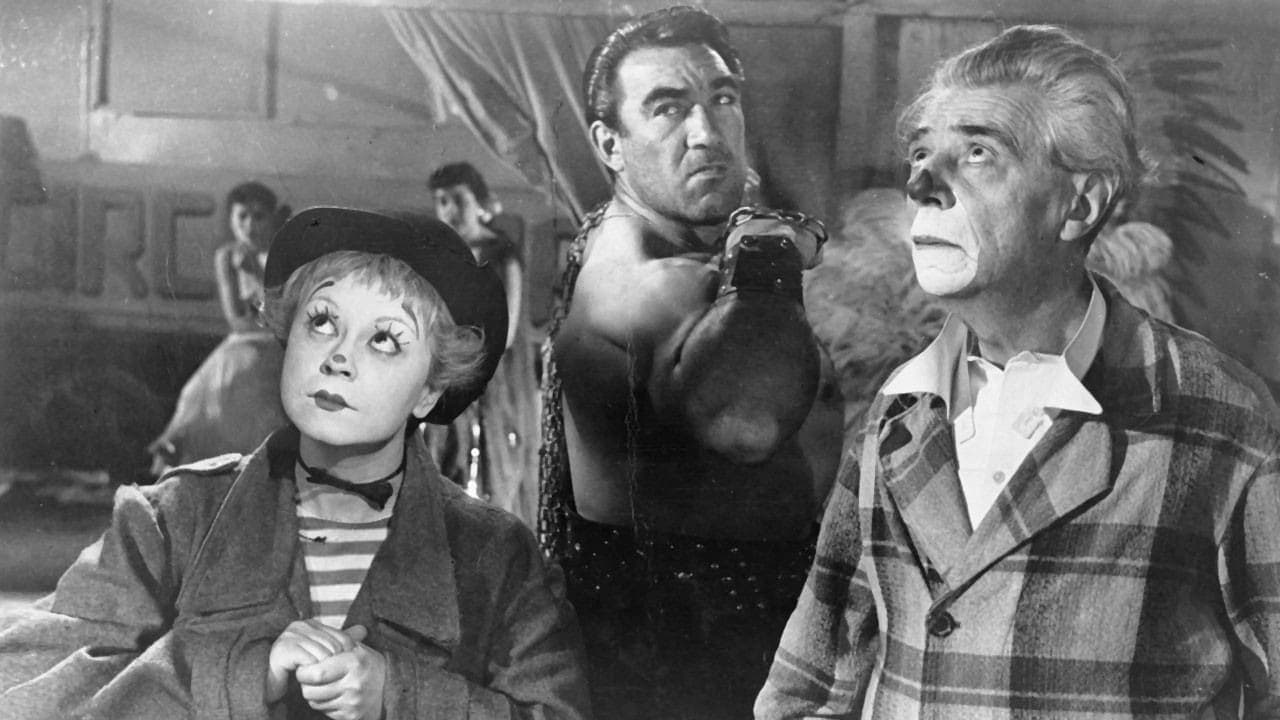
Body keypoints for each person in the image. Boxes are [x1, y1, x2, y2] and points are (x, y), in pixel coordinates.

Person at [757, 25, 1280, 718]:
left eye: (978, 152)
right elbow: (809, 686)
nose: (920, 185)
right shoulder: (899, 411)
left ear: (1080, 205)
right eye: (920, 154)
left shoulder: (1220, 417)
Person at [0, 207, 591, 720]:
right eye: (323, 321)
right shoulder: (171, 519)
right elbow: (21, 689)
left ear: (431, 391)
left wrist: (401, 696)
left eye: (384, 339)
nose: (337, 358)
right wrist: (242, 674)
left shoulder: (498, 556)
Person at [541, 6, 843, 719]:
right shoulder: (649, 286)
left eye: (722, 99)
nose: (706, 133)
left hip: (699, 657)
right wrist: (769, 255)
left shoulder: (617, 239)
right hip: (701, 672)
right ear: (610, 145)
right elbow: (749, 421)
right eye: (668, 108)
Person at [147, 181, 290, 473]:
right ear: (231, 219)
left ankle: (258, 468)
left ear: (272, 219)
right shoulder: (227, 256)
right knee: (196, 391)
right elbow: (236, 318)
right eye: (242, 217)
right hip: (244, 343)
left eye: (259, 216)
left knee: (255, 396)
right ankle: (187, 456)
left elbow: (286, 314)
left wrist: (257, 274)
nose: (249, 226)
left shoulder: (285, 256)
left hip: (279, 345)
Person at [427, 162, 540, 526]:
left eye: (458, 199)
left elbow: (505, 334)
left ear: (479, 204)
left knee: (487, 471)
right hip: (448, 376)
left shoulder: (502, 255)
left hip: (490, 382)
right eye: (442, 201)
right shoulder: (442, 256)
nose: (450, 210)